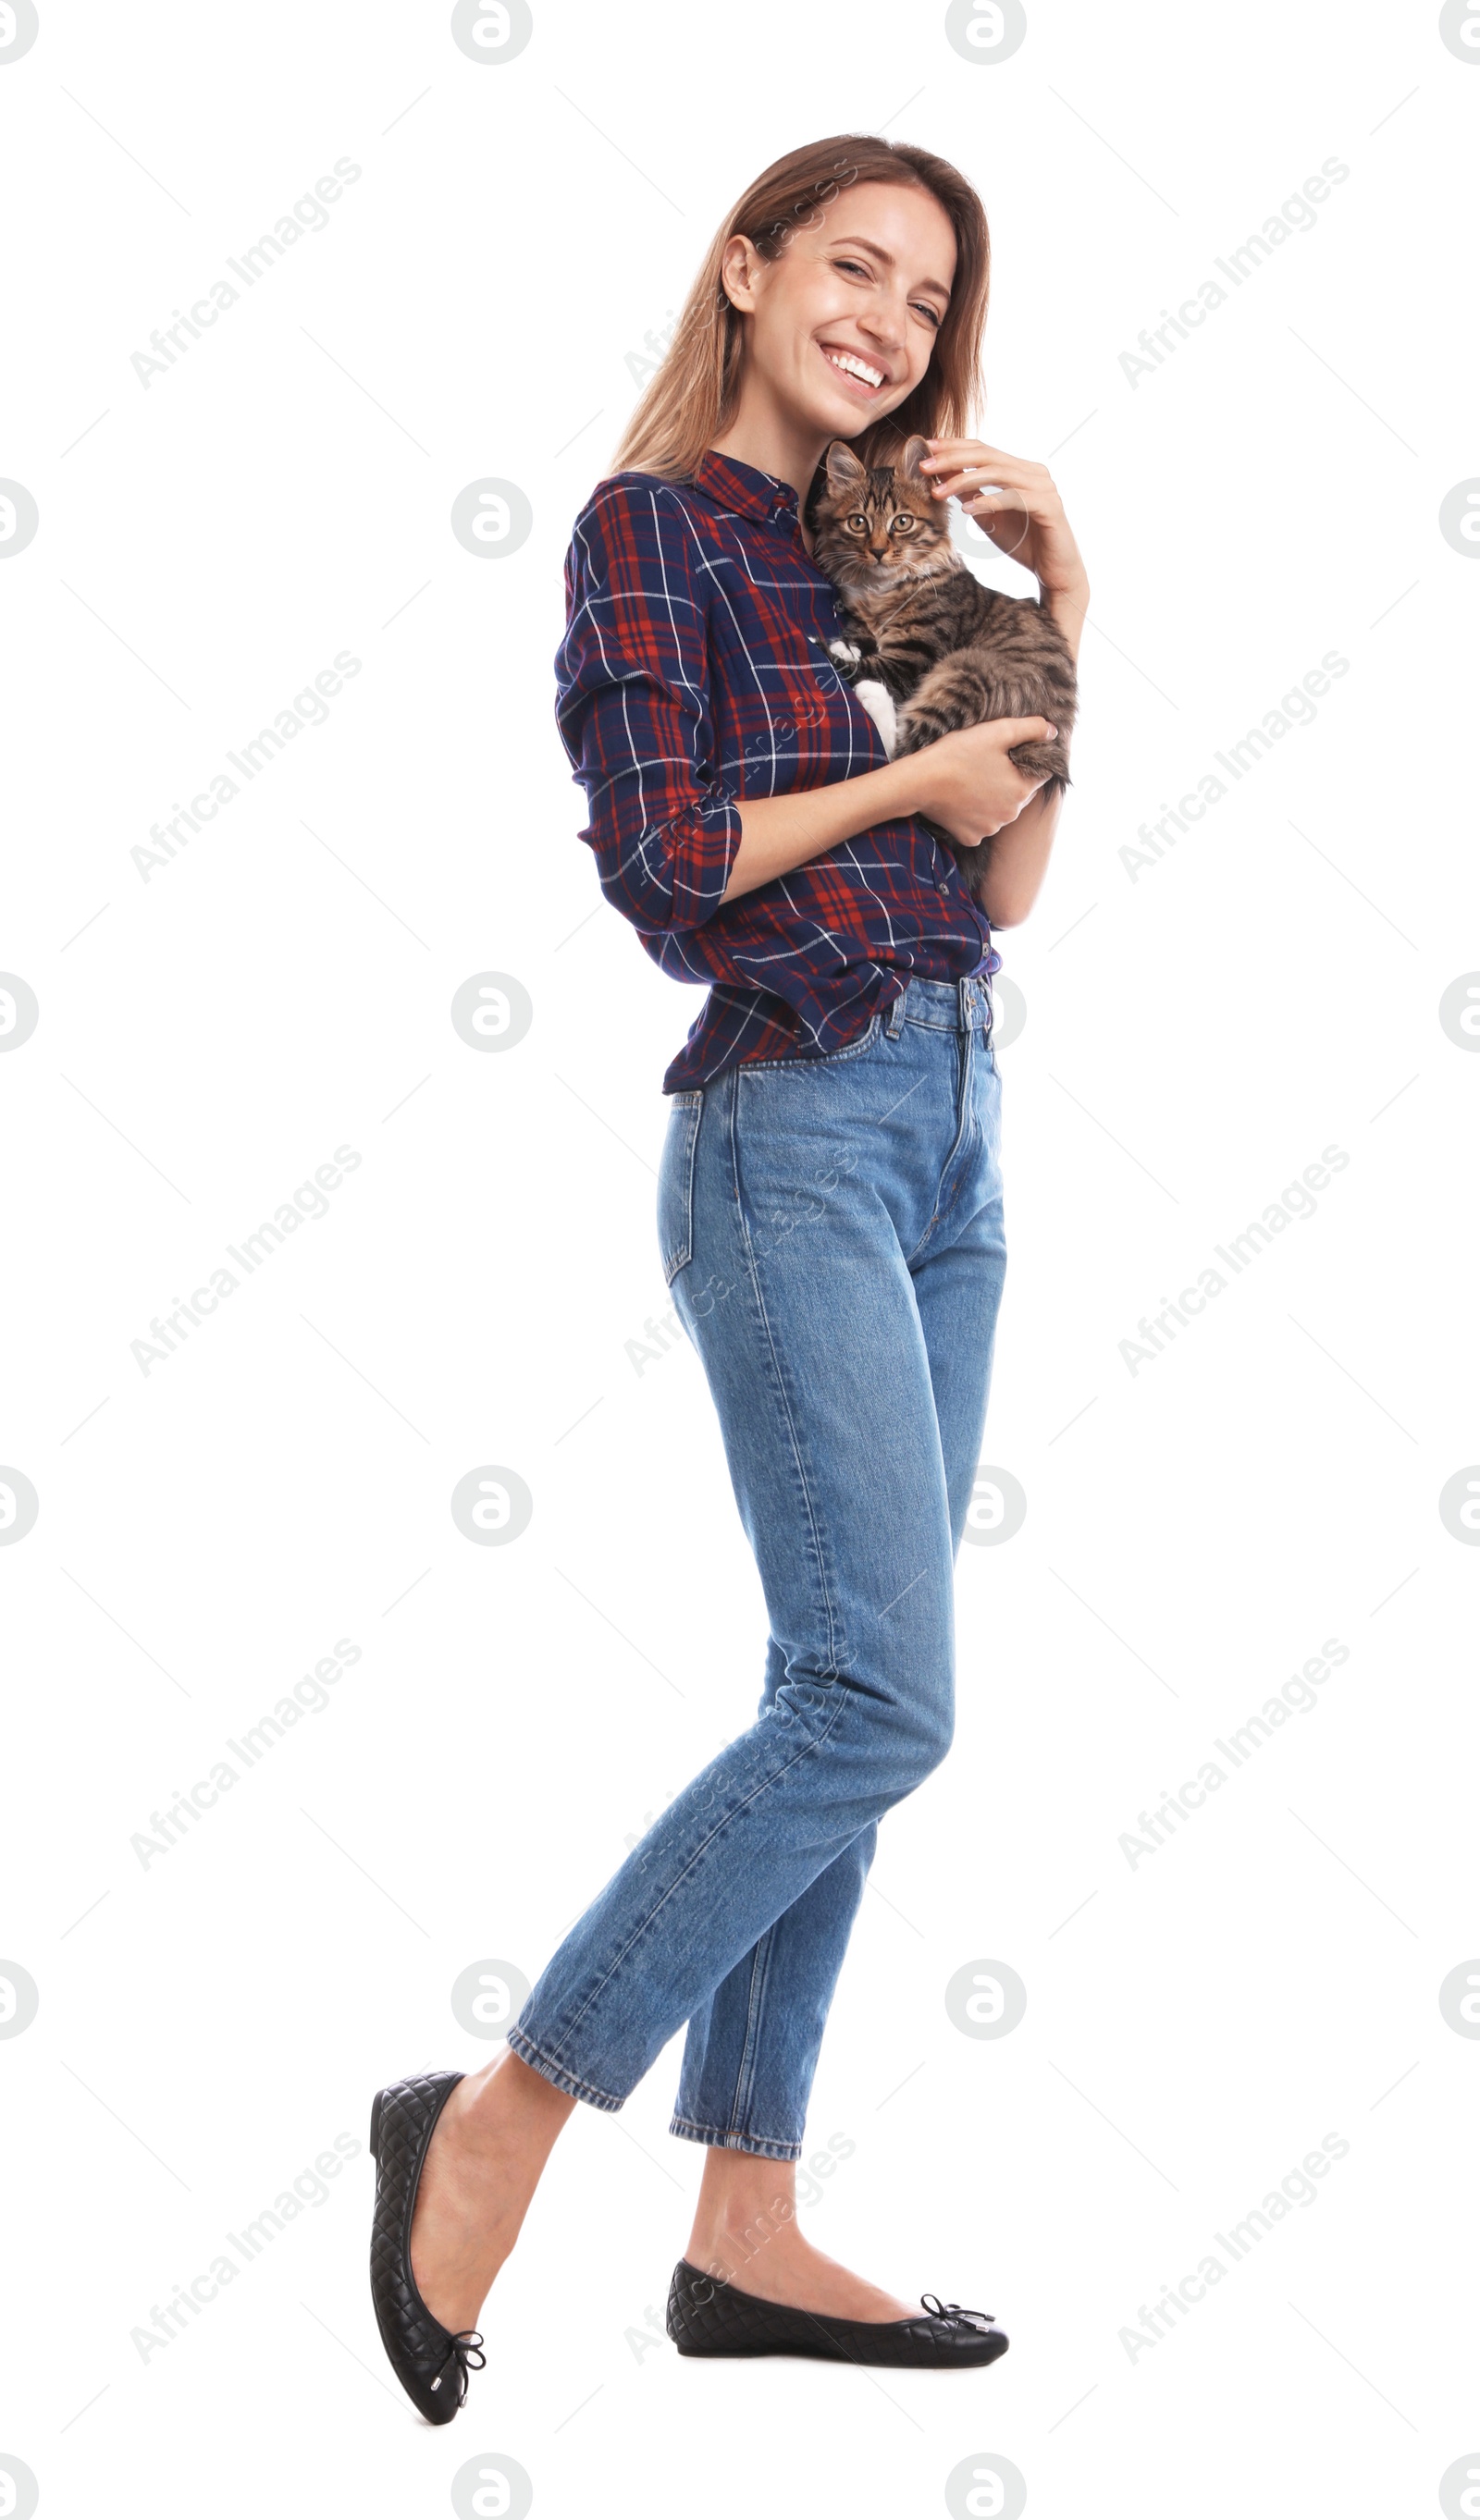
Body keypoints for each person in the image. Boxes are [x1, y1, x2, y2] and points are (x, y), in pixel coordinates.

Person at [369, 131, 1090, 2421]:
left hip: (955, 1121)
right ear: (749, 265)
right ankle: (502, 2116)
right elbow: (671, 864)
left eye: (923, 299)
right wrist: (905, 790)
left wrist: (1068, 589)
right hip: (787, 1116)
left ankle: (745, 2219)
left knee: (841, 1695)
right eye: (850, 269)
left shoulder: (890, 538)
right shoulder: (651, 529)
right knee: (879, 1697)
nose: (882, 322)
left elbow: (1006, 887)